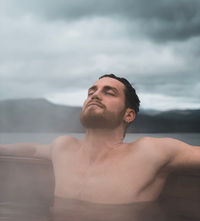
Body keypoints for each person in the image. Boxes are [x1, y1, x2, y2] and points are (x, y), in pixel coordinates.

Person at [0, 73, 200, 204]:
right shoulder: (64, 147)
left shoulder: (150, 152)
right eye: (91, 91)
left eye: (109, 92)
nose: (95, 95)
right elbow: (33, 150)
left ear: (128, 115)